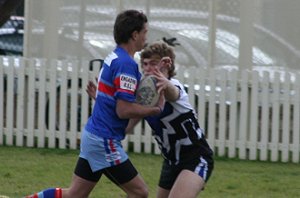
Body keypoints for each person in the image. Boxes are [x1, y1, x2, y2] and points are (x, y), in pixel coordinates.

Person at [26, 9, 165, 198]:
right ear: (135, 35)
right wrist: (153, 110)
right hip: (104, 140)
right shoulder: (126, 64)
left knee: (75, 194)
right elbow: (123, 110)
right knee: (140, 192)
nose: (146, 37)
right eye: (145, 32)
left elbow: (112, 98)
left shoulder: (114, 57)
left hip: (94, 135)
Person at [87, 41, 214, 198]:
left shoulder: (174, 86)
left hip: (196, 156)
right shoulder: (144, 95)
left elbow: (172, 93)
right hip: (171, 161)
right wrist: (102, 102)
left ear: (167, 65)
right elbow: (125, 127)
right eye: (144, 64)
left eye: (153, 64)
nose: (147, 69)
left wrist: (165, 83)